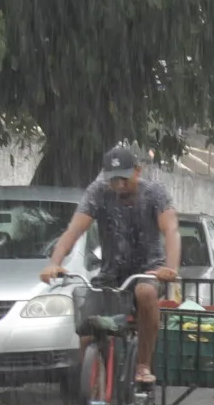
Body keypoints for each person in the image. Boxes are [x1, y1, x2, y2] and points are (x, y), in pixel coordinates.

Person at [41, 145, 182, 383]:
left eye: (124, 179)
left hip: (148, 270)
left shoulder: (155, 193)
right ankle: (100, 386)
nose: (118, 186)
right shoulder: (98, 192)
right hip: (111, 273)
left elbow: (171, 230)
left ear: (137, 171)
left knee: (145, 292)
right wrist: (54, 263)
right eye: (113, 180)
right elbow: (74, 230)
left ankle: (143, 365)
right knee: (88, 331)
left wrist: (171, 268)